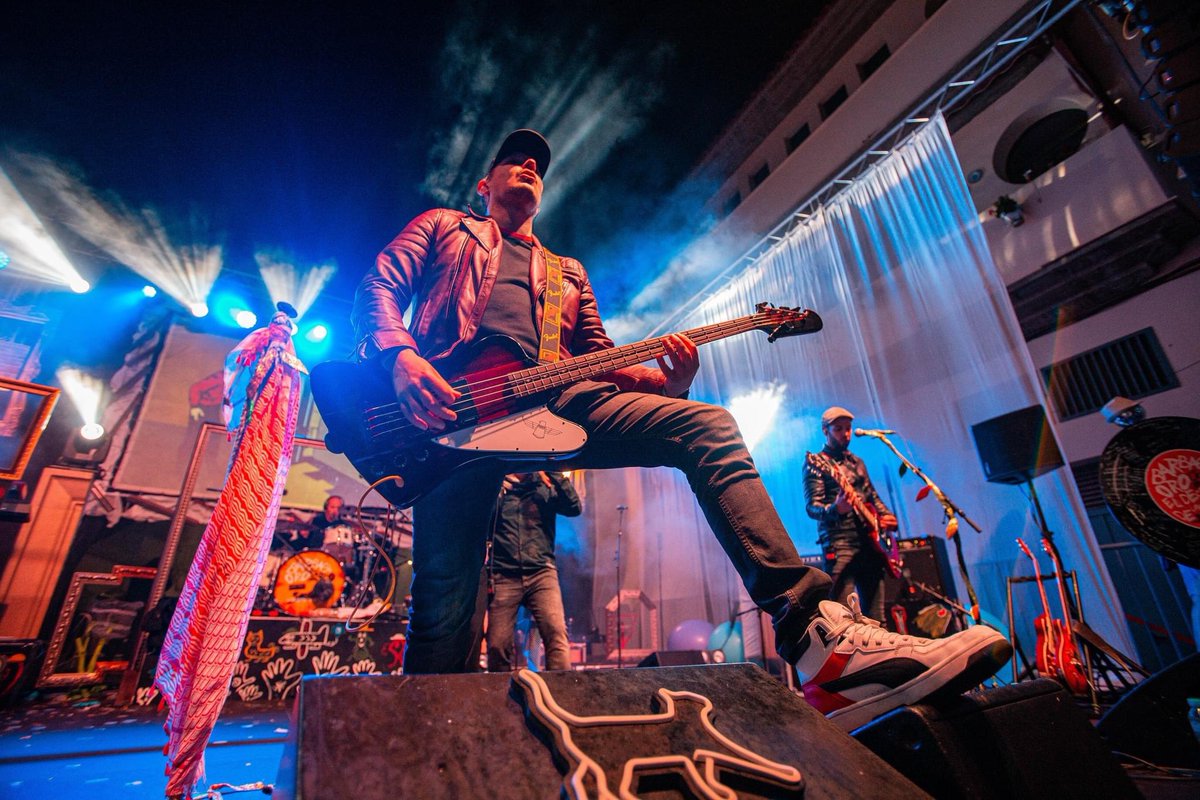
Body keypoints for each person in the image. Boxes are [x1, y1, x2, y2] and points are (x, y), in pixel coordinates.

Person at [351, 128, 1010, 730]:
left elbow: (597, 362)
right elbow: (378, 283)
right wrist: (401, 357)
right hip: (446, 418)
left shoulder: (566, 273)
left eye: (537, 165)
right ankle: (425, 746)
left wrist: (668, 382)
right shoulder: (445, 228)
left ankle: (819, 641)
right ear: (483, 186)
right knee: (444, 603)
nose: (527, 167)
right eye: (513, 161)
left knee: (706, 425)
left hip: (553, 405)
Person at [804, 407, 895, 622]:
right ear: (825, 430)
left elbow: (872, 497)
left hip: (871, 546)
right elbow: (812, 507)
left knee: (877, 618)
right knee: (844, 618)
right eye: (838, 429)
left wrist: (886, 517)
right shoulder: (818, 463)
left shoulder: (858, 463)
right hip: (841, 545)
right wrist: (836, 509)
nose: (845, 433)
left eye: (848, 428)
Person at [486, 471, 581, 672]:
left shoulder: (544, 484)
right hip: (504, 574)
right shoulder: (497, 486)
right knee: (497, 645)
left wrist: (553, 472)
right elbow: (483, 521)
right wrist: (495, 488)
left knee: (556, 636)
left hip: (542, 572)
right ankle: (499, 698)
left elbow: (574, 507)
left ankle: (561, 694)